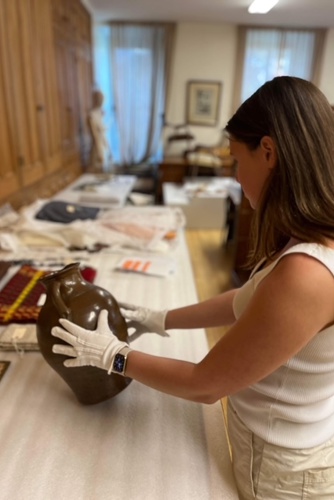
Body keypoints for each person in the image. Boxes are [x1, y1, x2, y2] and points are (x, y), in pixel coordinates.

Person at [52, 76, 334, 500]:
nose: (237, 177)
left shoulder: (307, 274)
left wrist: (114, 356)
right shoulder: (304, 239)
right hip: (281, 441)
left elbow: (206, 384)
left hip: (282, 470)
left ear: (270, 152)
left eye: (237, 160)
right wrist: (160, 318)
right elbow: (249, 301)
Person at [87, 90, 112, 172]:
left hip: (103, 143)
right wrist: (99, 151)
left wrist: (108, 147)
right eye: (100, 99)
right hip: (97, 145)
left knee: (105, 169)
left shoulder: (100, 113)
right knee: (98, 168)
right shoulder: (92, 115)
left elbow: (103, 133)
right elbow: (95, 135)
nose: (102, 101)